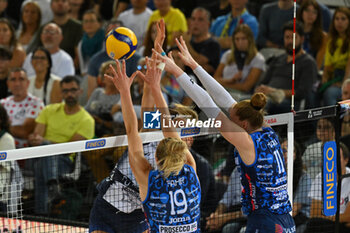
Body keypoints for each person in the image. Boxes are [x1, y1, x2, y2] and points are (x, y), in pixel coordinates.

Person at [154, 35, 296, 232]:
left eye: (233, 121)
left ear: (243, 124)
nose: (230, 121)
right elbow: (224, 96)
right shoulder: (265, 128)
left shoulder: (247, 143)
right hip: (285, 221)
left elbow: (207, 103)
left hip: (266, 222)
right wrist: (193, 65)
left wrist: (176, 70)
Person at [105, 56, 201, 233]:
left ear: (156, 158)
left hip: (131, 209)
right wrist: (151, 82)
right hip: (117, 201)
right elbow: (146, 121)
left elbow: (133, 129)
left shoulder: (148, 176)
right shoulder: (190, 167)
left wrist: (125, 91)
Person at [28, 75, 94, 215]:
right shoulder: (48, 110)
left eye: (73, 90)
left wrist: (46, 143)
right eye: (65, 91)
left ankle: (41, 214)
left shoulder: (87, 119)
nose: (69, 94)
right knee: (43, 153)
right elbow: (36, 135)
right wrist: (35, 140)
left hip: (64, 160)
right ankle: (53, 187)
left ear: (80, 91)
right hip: (37, 155)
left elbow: (70, 148)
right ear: (61, 93)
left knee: (42, 163)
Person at [255, 20, 318, 114]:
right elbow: (263, 82)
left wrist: (274, 91)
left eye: (293, 37)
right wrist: (260, 89)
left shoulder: (308, 62)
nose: (290, 41)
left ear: (302, 39)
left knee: (264, 104)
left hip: (288, 102)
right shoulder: (277, 59)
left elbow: (302, 92)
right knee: (240, 102)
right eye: (287, 37)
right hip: (267, 96)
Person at [86, 19, 141, 99]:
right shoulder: (95, 59)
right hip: (103, 100)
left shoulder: (136, 59)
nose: (115, 38)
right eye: (111, 34)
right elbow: (91, 93)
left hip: (129, 100)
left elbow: (139, 88)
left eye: (118, 35)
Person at [305, 142, 350, 232]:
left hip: (341, 227)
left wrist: (326, 217)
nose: (333, 161)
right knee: (312, 223)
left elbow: (348, 216)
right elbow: (314, 214)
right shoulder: (320, 177)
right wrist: (338, 219)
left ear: (346, 160)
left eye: (337, 158)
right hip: (326, 224)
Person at [214, 24, 265, 99]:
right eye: (237, 39)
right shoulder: (228, 54)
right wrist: (229, 81)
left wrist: (223, 83)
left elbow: (246, 87)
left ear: (250, 40)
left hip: (240, 95)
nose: (240, 42)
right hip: (221, 90)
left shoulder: (258, 58)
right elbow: (215, 79)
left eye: (243, 39)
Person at [1, 67, 44, 148]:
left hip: (24, 152)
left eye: (21, 79)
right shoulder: (2, 103)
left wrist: (3, 127)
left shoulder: (36, 103)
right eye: (13, 79)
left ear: (28, 83)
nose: (17, 83)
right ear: (8, 84)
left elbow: (24, 132)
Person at [319, 7, 350, 106]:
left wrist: (342, 85)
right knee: (313, 92)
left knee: (330, 93)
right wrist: (325, 80)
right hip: (335, 76)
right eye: (337, 19)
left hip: (347, 78)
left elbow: (349, 68)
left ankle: (334, 121)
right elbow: (327, 66)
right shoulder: (331, 40)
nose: (339, 22)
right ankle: (314, 122)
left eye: (343, 19)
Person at [281, 140, 311, 233]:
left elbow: (295, 209)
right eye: (283, 150)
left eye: (290, 150)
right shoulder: (273, 176)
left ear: (296, 154)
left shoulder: (304, 177)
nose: (286, 154)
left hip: (300, 218)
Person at [84, 60, 120, 138]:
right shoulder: (97, 92)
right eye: (107, 74)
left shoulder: (122, 96)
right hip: (91, 130)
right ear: (102, 77)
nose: (110, 77)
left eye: (113, 74)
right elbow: (85, 111)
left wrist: (101, 121)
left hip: (112, 134)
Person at [205, 167, 245, 233]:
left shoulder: (263, 172)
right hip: (233, 209)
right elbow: (226, 200)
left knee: (229, 229)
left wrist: (224, 218)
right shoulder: (237, 170)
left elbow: (254, 209)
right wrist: (217, 215)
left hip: (250, 216)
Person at [183, 7, 221, 75]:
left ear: (208, 24)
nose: (195, 23)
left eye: (200, 19)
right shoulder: (188, 40)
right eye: (193, 19)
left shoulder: (213, 44)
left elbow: (197, 62)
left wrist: (186, 44)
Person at [297, 0, 327, 70]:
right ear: (301, 12)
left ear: (317, 16)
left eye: (314, 12)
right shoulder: (293, 32)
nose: (310, 14)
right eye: (307, 10)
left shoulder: (323, 36)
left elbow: (318, 64)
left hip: (311, 72)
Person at [76, 9, 104, 75]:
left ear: (100, 23)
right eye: (85, 21)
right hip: (88, 75)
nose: (88, 24)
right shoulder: (81, 43)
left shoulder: (106, 41)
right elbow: (83, 68)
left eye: (92, 21)